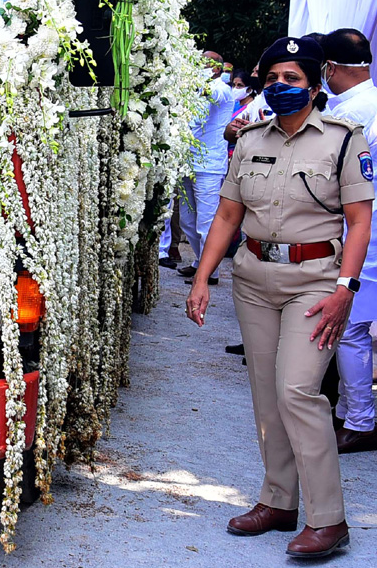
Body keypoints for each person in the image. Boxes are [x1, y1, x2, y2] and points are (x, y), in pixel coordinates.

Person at [186, 35, 371, 559]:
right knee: (267, 397)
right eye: (272, 79)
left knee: (297, 390)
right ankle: (278, 501)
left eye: (292, 79)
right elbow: (227, 215)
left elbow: (359, 223)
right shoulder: (249, 140)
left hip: (316, 281)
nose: (281, 87)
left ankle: (329, 519)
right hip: (253, 279)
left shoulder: (342, 139)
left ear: (315, 84)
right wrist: (202, 278)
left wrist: (345, 290)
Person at [320, 28, 377, 452]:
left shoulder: (354, 115)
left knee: (352, 327)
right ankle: (349, 413)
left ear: (331, 68)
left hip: (365, 230)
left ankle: (359, 421)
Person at [175, 51, 236, 283]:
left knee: (206, 221)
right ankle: (201, 262)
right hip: (186, 163)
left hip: (209, 165)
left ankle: (210, 271)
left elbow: (214, 94)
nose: (198, 66)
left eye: (203, 64)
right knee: (187, 221)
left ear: (216, 69)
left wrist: (193, 81)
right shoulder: (193, 90)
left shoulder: (222, 89)